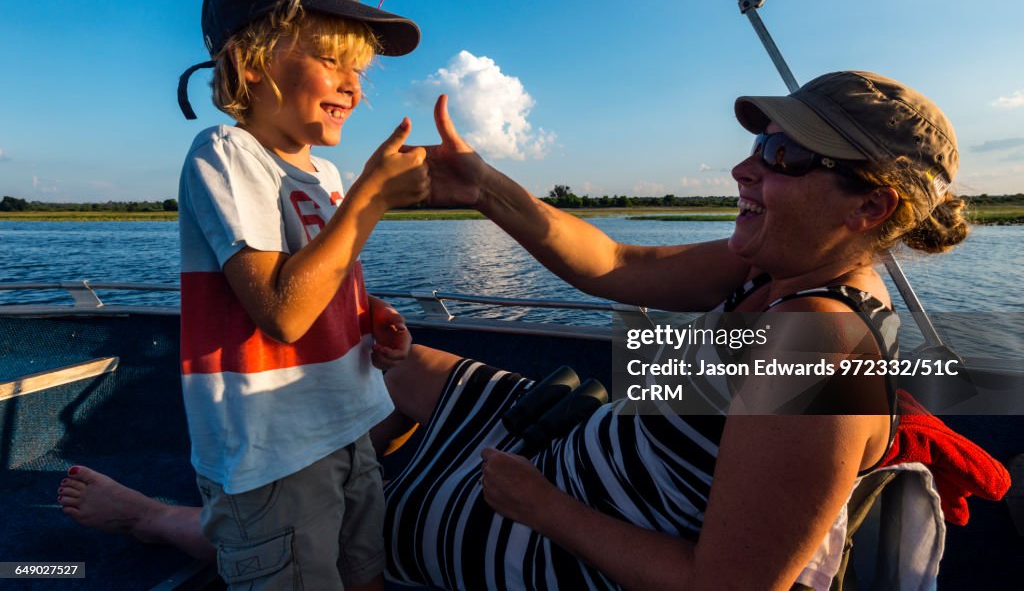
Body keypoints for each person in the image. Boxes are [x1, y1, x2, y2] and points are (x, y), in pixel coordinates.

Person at [60, 70, 969, 590]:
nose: (744, 166)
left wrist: (545, 507)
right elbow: (623, 268)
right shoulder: (776, 273)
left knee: (338, 531)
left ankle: (172, 518)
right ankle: (339, 440)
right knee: (403, 356)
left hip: (564, 527)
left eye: (779, 156)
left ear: (869, 205)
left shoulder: (819, 354)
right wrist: (487, 189)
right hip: (591, 440)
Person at [125, 0, 422, 591]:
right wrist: (372, 198)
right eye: (330, 59)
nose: (353, 84)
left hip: (347, 427)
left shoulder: (329, 176)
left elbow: (323, 283)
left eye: (358, 69)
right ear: (251, 63)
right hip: (273, 456)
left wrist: (371, 318)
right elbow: (283, 311)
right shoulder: (226, 154)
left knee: (365, 573)